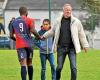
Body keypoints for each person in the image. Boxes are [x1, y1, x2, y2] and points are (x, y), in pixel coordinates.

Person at [42, 4, 89, 80]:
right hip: (61, 48)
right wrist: (44, 36)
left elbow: (81, 34)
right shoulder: (58, 21)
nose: (68, 11)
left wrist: (85, 45)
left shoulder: (76, 22)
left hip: (72, 49)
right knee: (59, 67)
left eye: (70, 10)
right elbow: (52, 31)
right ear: (63, 10)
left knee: (73, 67)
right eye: (67, 10)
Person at [9, 6, 41, 80]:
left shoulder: (13, 22)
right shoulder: (30, 20)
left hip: (20, 46)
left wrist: (17, 40)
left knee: (23, 64)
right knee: (29, 63)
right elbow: (33, 30)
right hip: (29, 45)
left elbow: (11, 36)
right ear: (27, 12)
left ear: (19, 12)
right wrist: (39, 37)